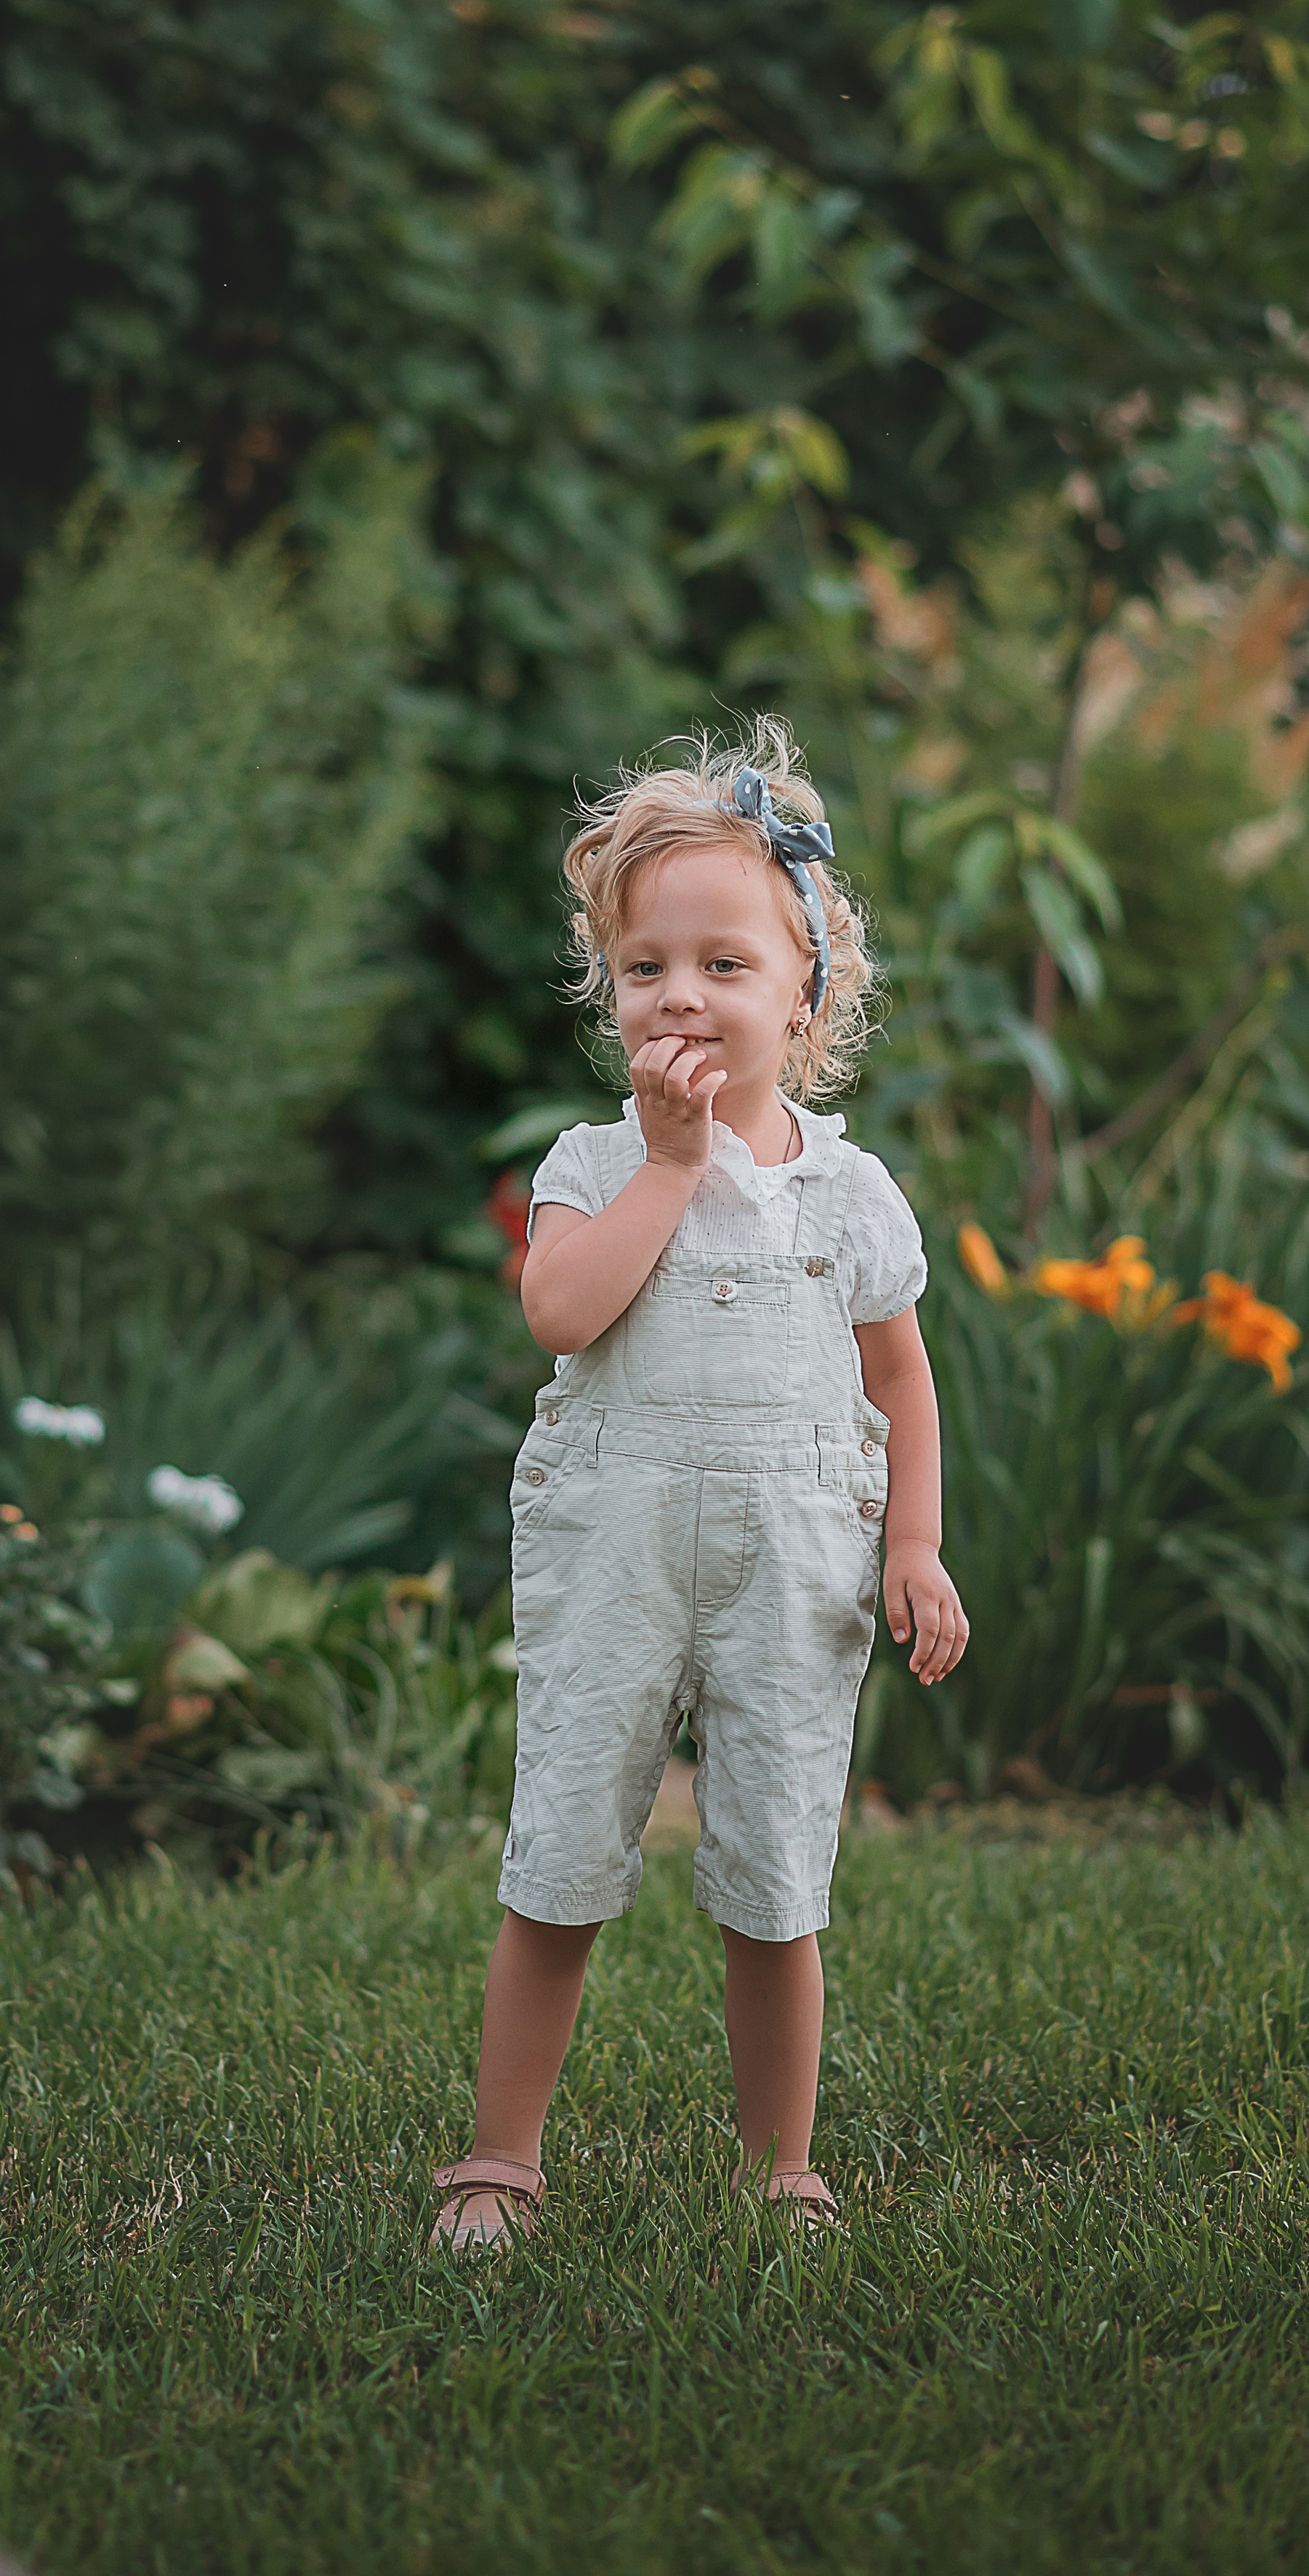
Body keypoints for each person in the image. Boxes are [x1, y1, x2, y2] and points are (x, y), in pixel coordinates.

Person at [431, 723, 970, 2249]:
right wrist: (668, 1164)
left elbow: (897, 1377)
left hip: (794, 1549)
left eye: (723, 965)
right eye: (645, 965)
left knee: (774, 1865)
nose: (681, 992)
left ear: (804, 998)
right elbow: (558, 1310)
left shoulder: (845, 1190)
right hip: (617, 1539)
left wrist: (912, 1542)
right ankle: (498, 2157)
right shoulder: (593, 1169)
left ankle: (777, 2165)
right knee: (561, 1843)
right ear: (609, 994)